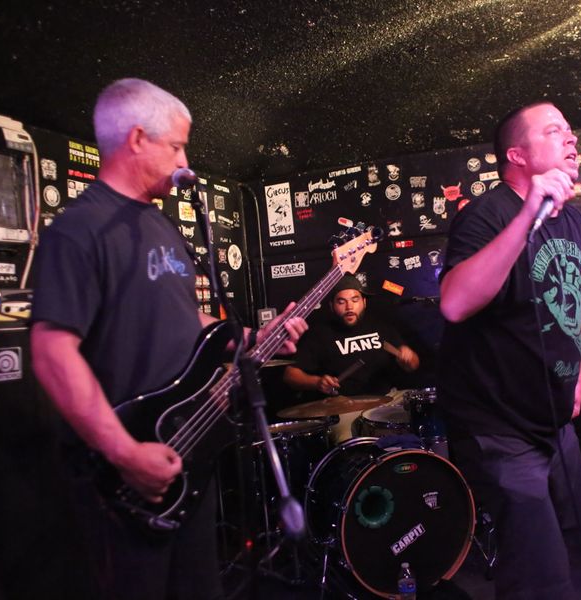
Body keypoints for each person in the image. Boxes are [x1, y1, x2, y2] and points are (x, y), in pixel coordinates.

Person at [29, 78, 306, 600]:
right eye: (177, 146)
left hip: (184, 452)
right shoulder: (80, 230)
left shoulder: (161, 226)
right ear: (137, 139)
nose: (185, 162)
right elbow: (51, 351)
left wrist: (253, 338)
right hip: (123, 478)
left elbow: (183, 319)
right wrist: (125, 453)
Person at [438, 101, 581, 599]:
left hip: (553, 419)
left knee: (580, 542)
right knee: (538, 574)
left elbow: (569, 306)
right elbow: (455, 303)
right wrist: (529, 212)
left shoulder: (573, 221)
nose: (571, 139)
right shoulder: (488, 215)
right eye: (553, 131)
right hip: (500, 426)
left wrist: (577, 371)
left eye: (569, 131)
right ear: (517, 155)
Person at [283, 273, 420, 398]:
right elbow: (290, 375)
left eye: (355, 300)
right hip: (343, 405)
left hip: (386, 399)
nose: (349, 307)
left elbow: (413, 365)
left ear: (364, 302)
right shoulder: (320, 334)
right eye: (341, 302)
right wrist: (317, 382)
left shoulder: (381, 327)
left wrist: (409, 359)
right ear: (331, 306)